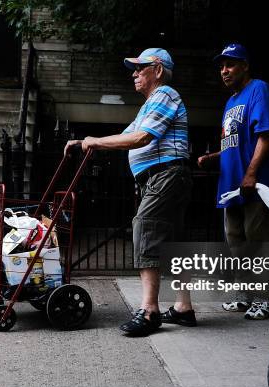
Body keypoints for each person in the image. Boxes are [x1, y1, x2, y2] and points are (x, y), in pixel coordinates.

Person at [65, 48, 195, 335]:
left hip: (166, 174)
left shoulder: (164, 94)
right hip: (164, 177)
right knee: (173, 242)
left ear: (157, 70)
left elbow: (141, 138)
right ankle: (184, 308)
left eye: (140, 68)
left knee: (144, 225)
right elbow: (125, 136)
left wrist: (95, 142)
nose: (134, 74)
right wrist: (82, 141)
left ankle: (150, 311)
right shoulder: (149, 105)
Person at [197, 43, 269, 320]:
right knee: (237, 244)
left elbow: (265, 135)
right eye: (222, 66)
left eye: (231, 64)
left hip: (256, 185)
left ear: (245, 65)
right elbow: (236, 142)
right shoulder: (231, 101)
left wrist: (251, 173)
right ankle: (245, 295)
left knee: (260, 244)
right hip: (230, 186)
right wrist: (214, 155)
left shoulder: (259, 89)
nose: (224, 70)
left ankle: (265, 299)